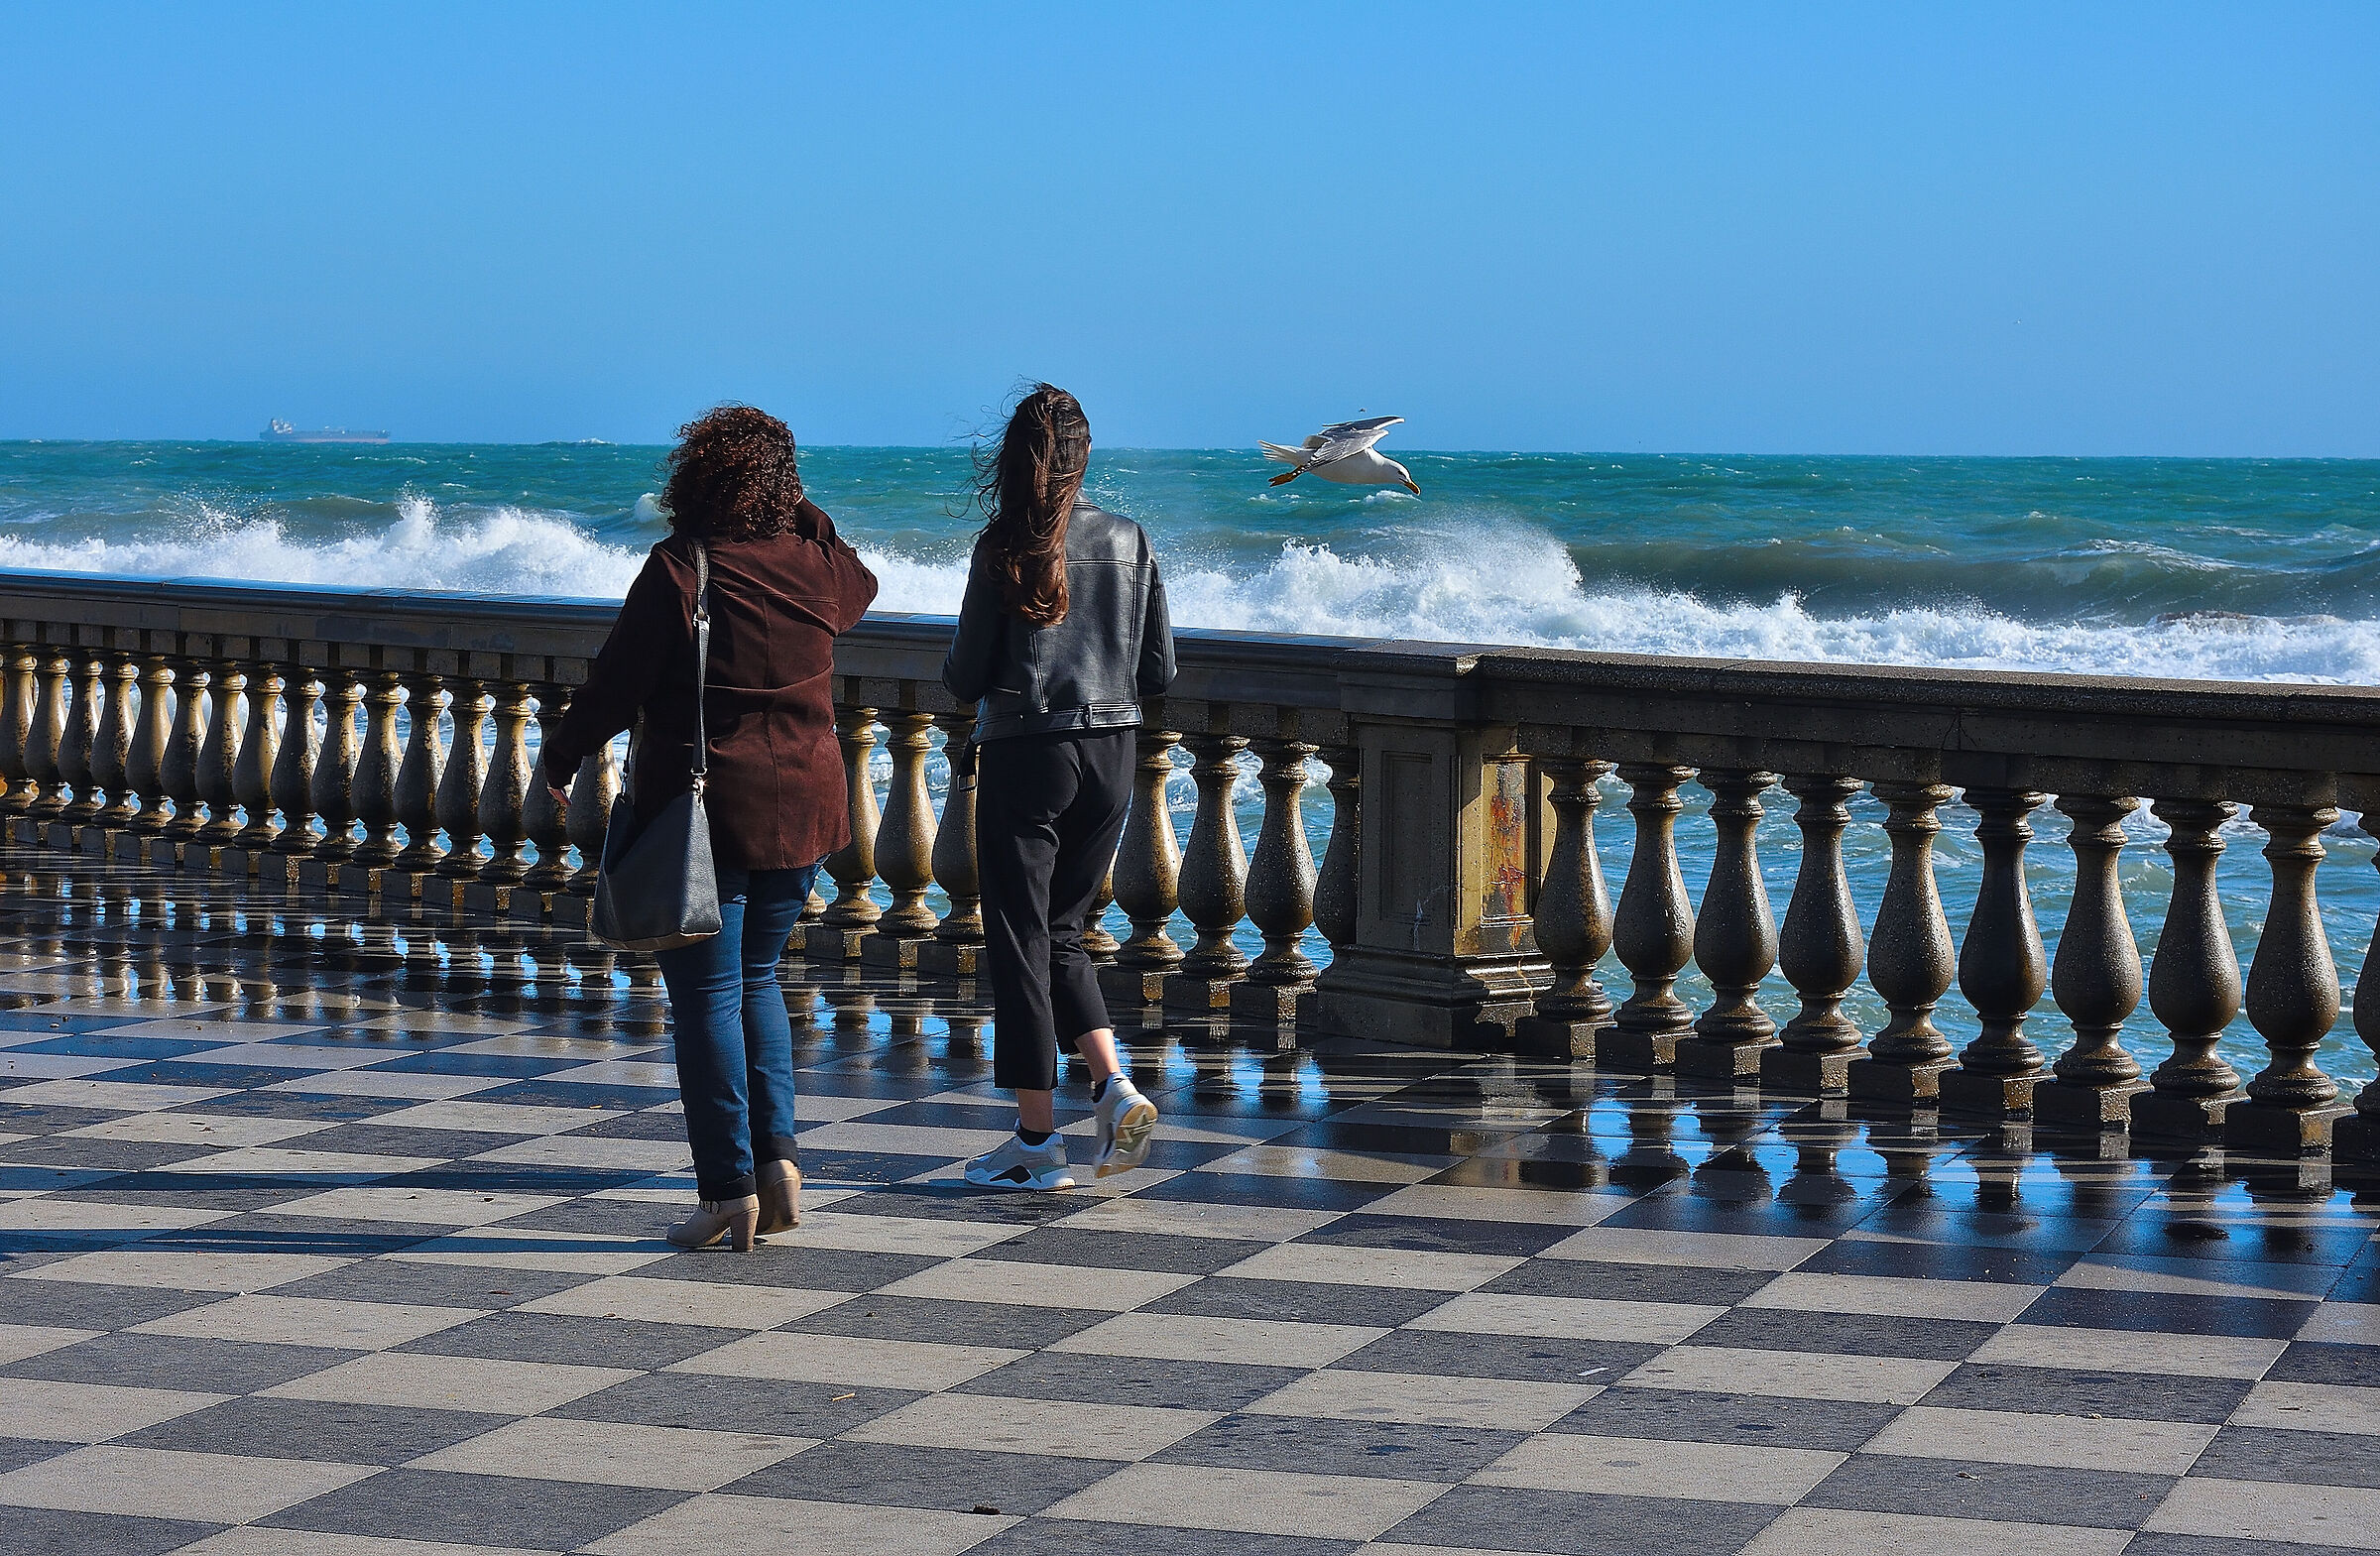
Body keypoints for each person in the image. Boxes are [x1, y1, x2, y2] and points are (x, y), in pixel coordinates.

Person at [544, 406, 877, 1250]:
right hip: (806, 808)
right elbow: (861, 581)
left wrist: (562, 754)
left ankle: (728, 1191)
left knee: (707, 1001)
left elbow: (616, 684)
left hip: (707, 814)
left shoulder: (680, 567)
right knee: (755, 980)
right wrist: (803, 509)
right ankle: (779, 1165)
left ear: (697, 477)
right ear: (783, 487)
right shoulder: (817, 568)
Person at [942, 385, 1175, 1190]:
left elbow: (965, 673)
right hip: (1112, 750)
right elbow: (1158, 670)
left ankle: (1037, 1142)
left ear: (1013, 459)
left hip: (1028, 751)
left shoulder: (1002, 545)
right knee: (1064, 929)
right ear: (1083, 456)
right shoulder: (1129, 538)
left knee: (1021, 938)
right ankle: (1113, 1085)